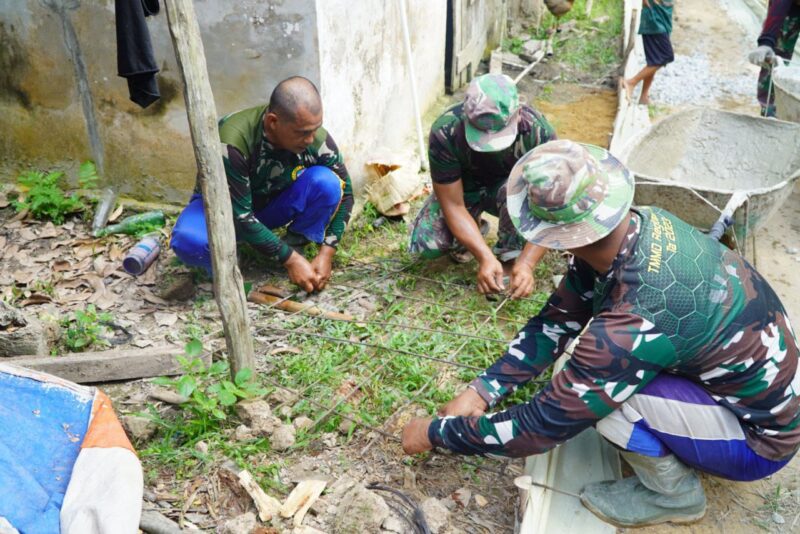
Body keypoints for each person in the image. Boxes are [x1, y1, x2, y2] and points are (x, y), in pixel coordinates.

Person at [402, 139, 800, 527]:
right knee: (592, 373)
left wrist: (437, 433)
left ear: (550, 236)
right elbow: (557, 319)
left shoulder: (629, 322)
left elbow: (540, 426)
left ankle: (674, 495)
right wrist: (482, 390)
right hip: (761, 396)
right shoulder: (638, 227)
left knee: (599, 399)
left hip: (759, 442)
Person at [170, 76, 353, 292]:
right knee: (188, 241)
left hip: (267, 207)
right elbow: (241, 216)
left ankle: (295, 245)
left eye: (315, 129)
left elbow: (347, 192)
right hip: (223, 211)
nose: (310, 139)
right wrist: (290, 260)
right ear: (273, 122)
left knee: (327, 183)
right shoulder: (232, 142)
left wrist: (327, 253)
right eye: (303, 133)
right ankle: (224, 270)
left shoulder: (314, 137)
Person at [408, 73, 556, 299]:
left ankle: (508, 256)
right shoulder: (445, 130)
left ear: (517, 113)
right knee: (427, 243)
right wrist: (484, 257)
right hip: (464, 190)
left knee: (512, 190)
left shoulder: (538, 133)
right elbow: (453, 204)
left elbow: (551, 207)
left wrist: (527, 263)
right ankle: (475, 230)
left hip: (510, 191)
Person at [748, 0, 800, 117]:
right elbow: (779, 6)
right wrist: (767, 41)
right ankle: (770, 110)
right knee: (778, 52)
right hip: (790, 9)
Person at [623, 0, 674, 105]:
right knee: (666, 56)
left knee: (654, 60)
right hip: (654, 20)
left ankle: (643, 96)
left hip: (663, 16)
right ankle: (631, 82)